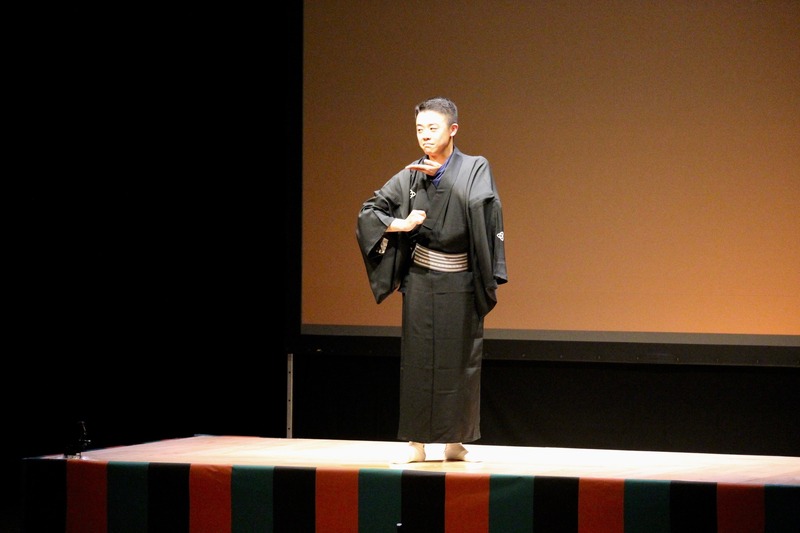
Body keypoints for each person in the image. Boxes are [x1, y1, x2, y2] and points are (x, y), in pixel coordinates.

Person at [356, 96, 508, 463]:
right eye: (419, 129)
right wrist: (401, 223)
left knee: (461, 361)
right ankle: (416, 444)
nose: (425, 135)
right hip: (421, 279)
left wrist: (441, 177)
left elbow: (481, 204)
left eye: (432, 128)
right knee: (418, 361)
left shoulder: (475, 167)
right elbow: (369, 212)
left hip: (461, 280)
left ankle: (455, 442)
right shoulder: (410, 176)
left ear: (453, 129)